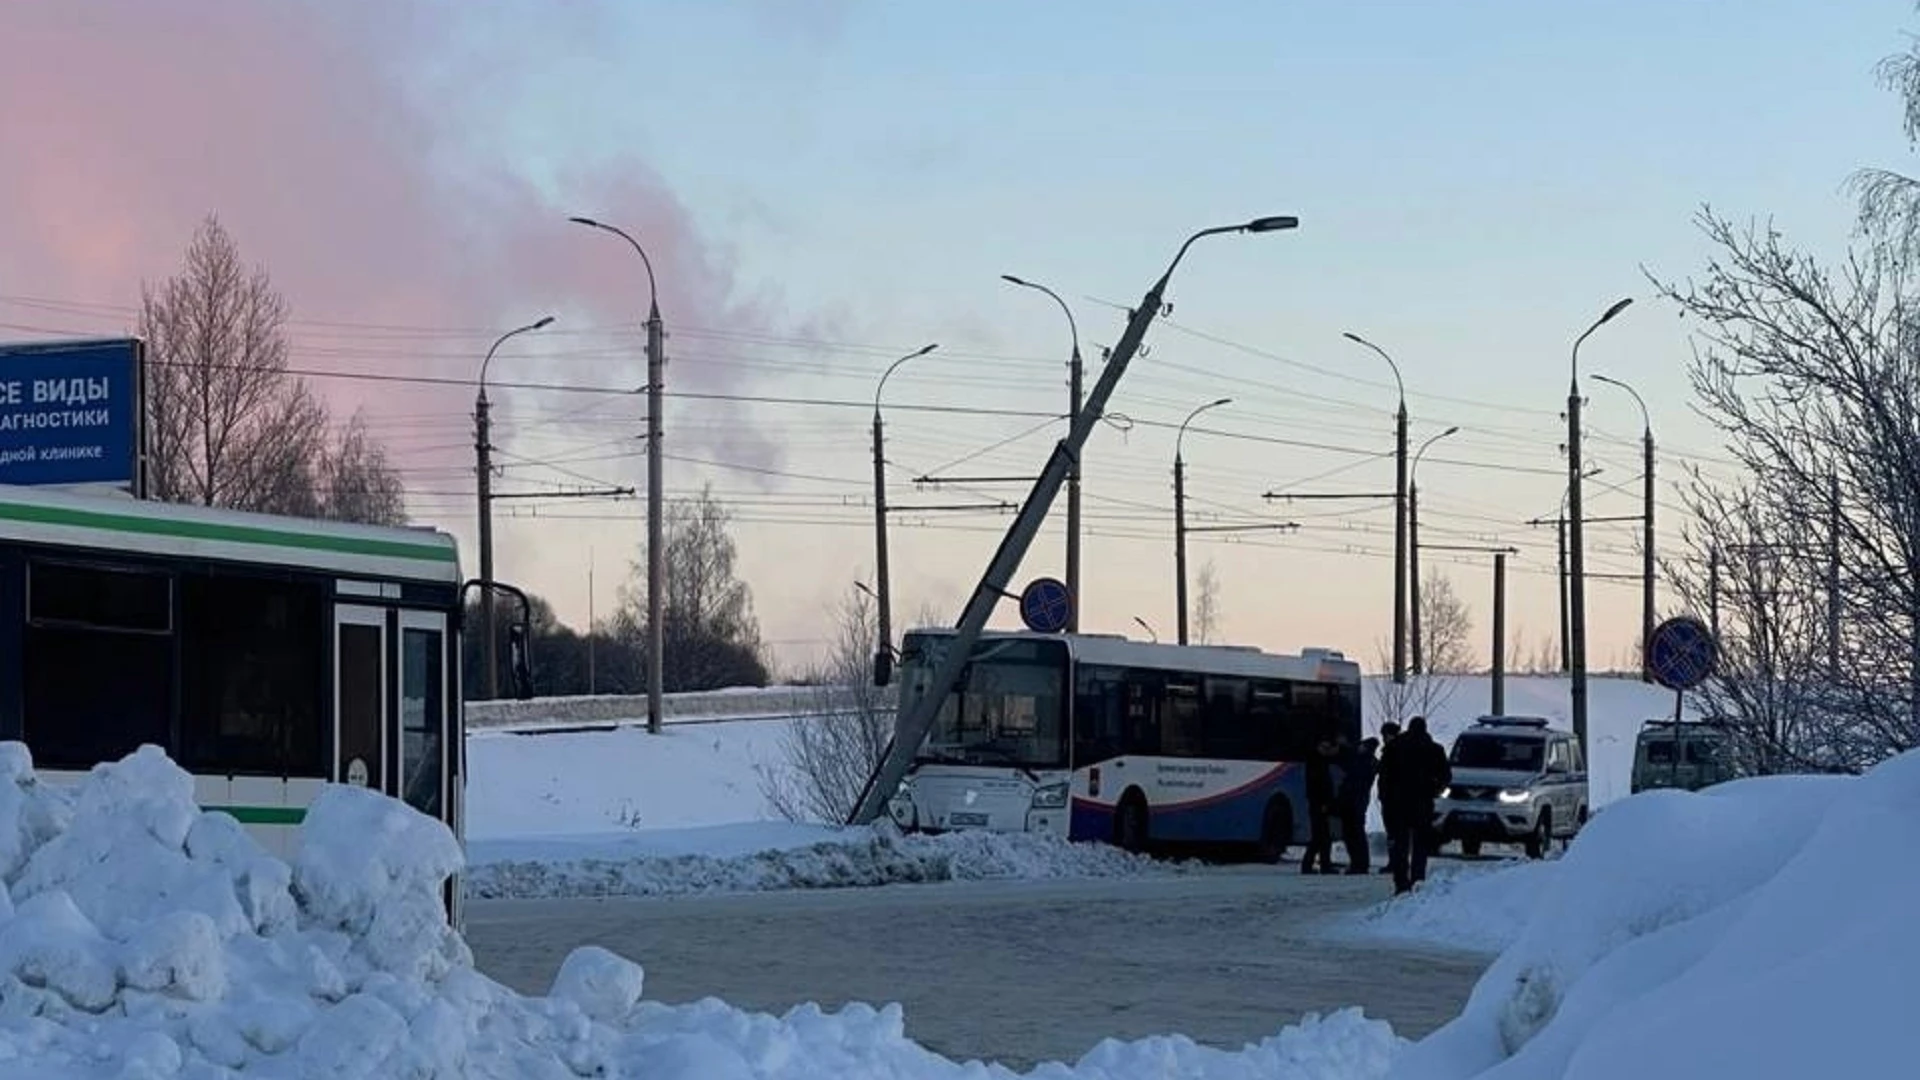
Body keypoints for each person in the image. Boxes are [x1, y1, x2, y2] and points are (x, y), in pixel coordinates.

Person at [1377, 715, 1451, 895]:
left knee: (1400, 844)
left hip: (1397, 803)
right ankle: (1418, 880)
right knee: (1420, 845)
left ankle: (1401, 882)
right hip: (1422, 802)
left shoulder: (1394, 748)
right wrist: (1435, 790)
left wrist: (1385, 798)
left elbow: (1384, 776)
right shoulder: (1434, 749)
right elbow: (1445, 776)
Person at [1337, 736, 1379, 874]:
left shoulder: (1364, 762)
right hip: (1358, 800)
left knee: (1353, 833)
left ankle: (1359, 864)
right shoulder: (1371, 762)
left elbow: (1350, 768)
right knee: (1355, 832)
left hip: (1354, 801)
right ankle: (1360, 863)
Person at [1300, 732, 1339, 874]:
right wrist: (1323, 802)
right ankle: (1318, 865)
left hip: (1319, 803)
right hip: (1319, 804)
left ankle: (1318, 864)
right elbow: (1318, 785)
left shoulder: (1318, 761)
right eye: (1324, 747)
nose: (1326, 750)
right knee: (1320, 837)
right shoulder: (1317, 763)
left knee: (1321, 837)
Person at [1376, 721, 1403, 878]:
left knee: (1395, 832)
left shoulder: (1393, 752)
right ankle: (1395, 861)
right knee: (1394, 832)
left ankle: (1396, 861)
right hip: (1391, 797)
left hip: (1393, 798)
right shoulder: (1394, 751)